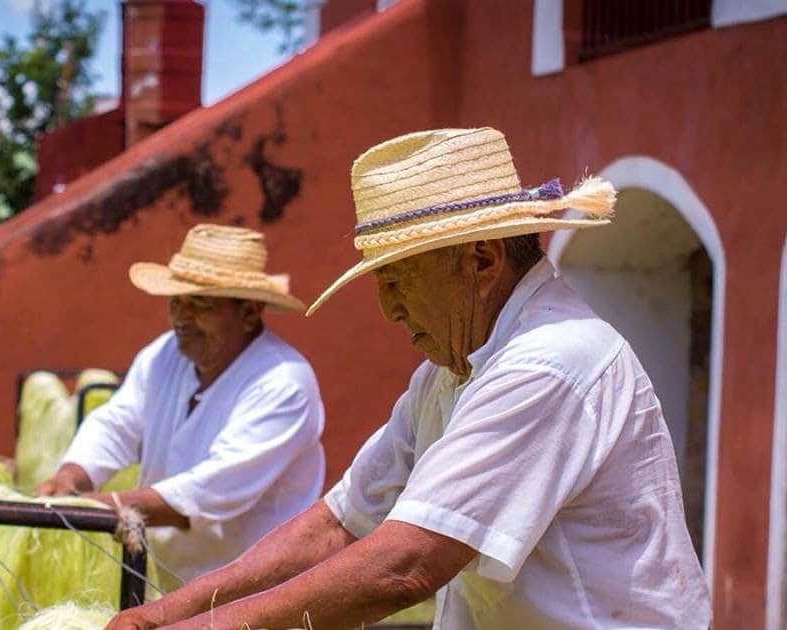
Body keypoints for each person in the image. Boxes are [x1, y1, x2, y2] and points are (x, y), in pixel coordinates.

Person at [104, 128, 711, 629]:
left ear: (481, 261)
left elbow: (407, 565)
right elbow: (340, 522)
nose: (389, 310)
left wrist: (203, 627)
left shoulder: (547, 362)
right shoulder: (447, 374)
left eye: (399, 282)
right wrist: (166, 613)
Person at [38, 223, 325, 584]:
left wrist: (92, 508)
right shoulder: (164, 355)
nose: (181, 318)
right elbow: (118, 423)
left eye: (200, 304)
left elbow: (211, 490)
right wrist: (72, 477)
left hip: (257, 590)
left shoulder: (283, 384)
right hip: (170, 582)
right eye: (176, 302)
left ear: (249, 312)